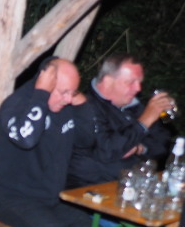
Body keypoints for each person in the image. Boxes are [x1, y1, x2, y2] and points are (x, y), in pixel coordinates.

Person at [0, 57, 99, 227]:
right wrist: (41, 94)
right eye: (63, 92)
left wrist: (81, 104)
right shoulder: (17, 105)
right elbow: (26, 138)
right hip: (12, 199)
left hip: (51, 198)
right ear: (44, 81)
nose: (68, 99)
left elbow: (87, 140)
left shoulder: (65, 107)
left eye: (73, 92)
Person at [67, 54, 175, 189]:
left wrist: (139, 148)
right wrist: (144, 121)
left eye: (139, 82)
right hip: (91, 190)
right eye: (130, 82)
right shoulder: (84, 108)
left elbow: (162, 143)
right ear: (107, 81)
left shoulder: (135, 106)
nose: (138, 88)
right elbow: (107, 150)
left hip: (133, 186)